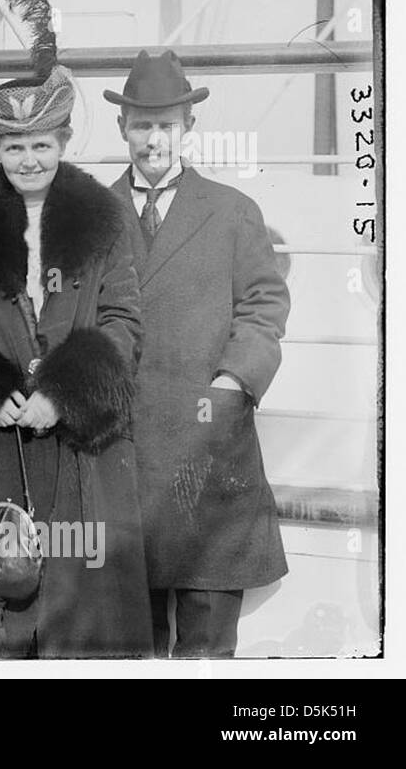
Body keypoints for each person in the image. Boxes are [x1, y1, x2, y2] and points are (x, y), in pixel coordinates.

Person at [0, 0, 153, 655]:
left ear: (61, 142)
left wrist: (64, 393)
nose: (27, 160)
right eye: (12, 147)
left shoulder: (105, 223)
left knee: (81, 620)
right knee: (5, 604)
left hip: (81, 451)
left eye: (40, 145)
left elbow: (123, 319)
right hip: (4, 449)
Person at [105, 50, 290, 658]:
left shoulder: (234, 211)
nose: (153, 139)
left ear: (189, 128)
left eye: (165, 124)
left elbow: (264, 306)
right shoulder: (92, 215)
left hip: (212, 452)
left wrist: (233, 383)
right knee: (132, 645)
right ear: (122, 128)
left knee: (208, 650)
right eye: (142, 124)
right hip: (123, 451)